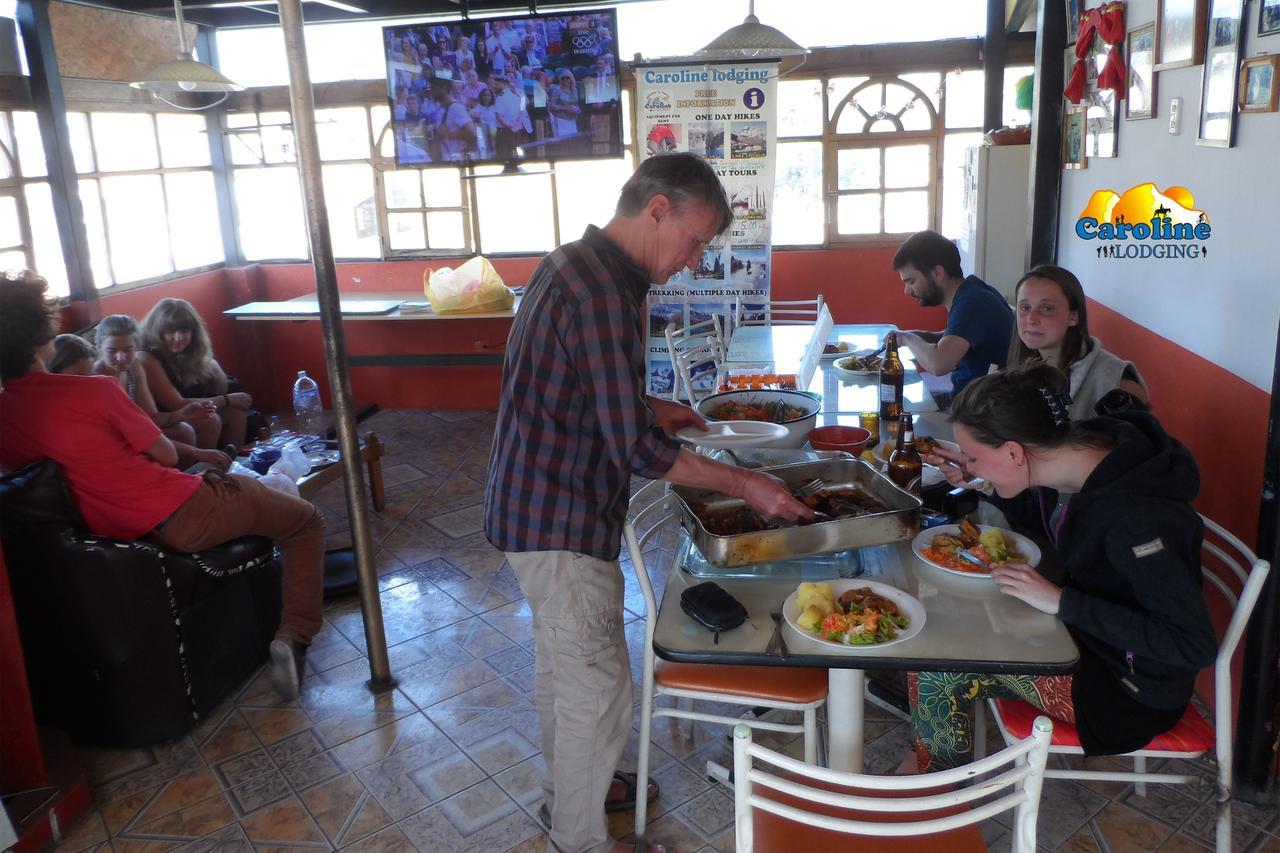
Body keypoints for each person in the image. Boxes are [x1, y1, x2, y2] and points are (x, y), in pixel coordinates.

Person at [483, 153, 812, 853]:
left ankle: (574, 793)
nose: (693, 261)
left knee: (563, 671)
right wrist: (745, 483)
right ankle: (580, 839)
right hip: (558, 518)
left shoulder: (576, 262)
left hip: (530, 506)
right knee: (597, 690)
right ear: (657, 208)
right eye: (694, 240)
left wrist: (654, 406)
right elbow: (635, 451)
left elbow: (588, 391)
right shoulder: (604, 291)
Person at [0, 270, 325, 701]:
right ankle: (294, 637)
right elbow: (168, 456)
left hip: (113, 536)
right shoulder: (94, 391)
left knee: (249, 489)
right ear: (43, 336)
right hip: (182, 510)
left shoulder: (6, 414)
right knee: (306, 522)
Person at [910, 362, 1216, 771]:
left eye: (973, 456)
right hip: (1081, 643)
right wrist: (979, 478)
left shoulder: (1136, 520)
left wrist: (1061, 602)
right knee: (950, 628)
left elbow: (1191, 643)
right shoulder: (1086, 456)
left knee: (935, 668)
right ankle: (933, 773)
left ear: (1015, 451)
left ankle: (934, 793)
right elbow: (1053, 514)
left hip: (1125, 692)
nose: (969, 464)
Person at [1010, 264, 1148, 419]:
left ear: (1073, 317)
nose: (1031, 319)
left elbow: (1139, 440)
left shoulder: (1118, 382)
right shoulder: (1021, 367)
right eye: (1025, 307)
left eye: (1047, 308)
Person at [93, 314, 229, 471]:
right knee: (184, 437)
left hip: (136, 432)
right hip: (114, 441)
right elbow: (127, 434)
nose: (121, 357)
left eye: (128, 350)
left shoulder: (134, 367)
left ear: (136, 347)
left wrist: (182, 414)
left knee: (184, 429)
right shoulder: (98, 378)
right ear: (99, 349)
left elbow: (150, 417)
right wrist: (197, 452)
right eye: (112, 351)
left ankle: (187, 478)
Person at [892, 229, 1014, 400]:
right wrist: (920, 336)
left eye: (911, 281)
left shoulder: (972, 303)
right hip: (971, 400)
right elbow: (958, 338)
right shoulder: (972, 290)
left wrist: (907, 339)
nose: (907, 291)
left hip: (981, 414)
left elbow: (938, 364)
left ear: (937, 273)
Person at [137, 297, 253, 449]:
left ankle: (232, 466)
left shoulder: (187, 353)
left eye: (184, 331)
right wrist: (227, 399)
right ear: (157, 331)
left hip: (182, 415)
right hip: (159, 421)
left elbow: (220, 388)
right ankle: (205, 470)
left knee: (234, 413)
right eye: (170, 331)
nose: (178, 338)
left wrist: (212, 366)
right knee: (209, 420)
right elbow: (177, 403)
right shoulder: (145, 357)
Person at [548, 69, 581, 137]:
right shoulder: (557, 90)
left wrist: (577, 109)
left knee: (572, 142)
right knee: (563, 142)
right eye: (563, 78)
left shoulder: (575, 90)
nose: (565, 79)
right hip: (561, 120)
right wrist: (566, 108)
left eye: (567, 78)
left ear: (571, 79)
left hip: (572, 119)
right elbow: (552, 106)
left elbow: (576, 103)